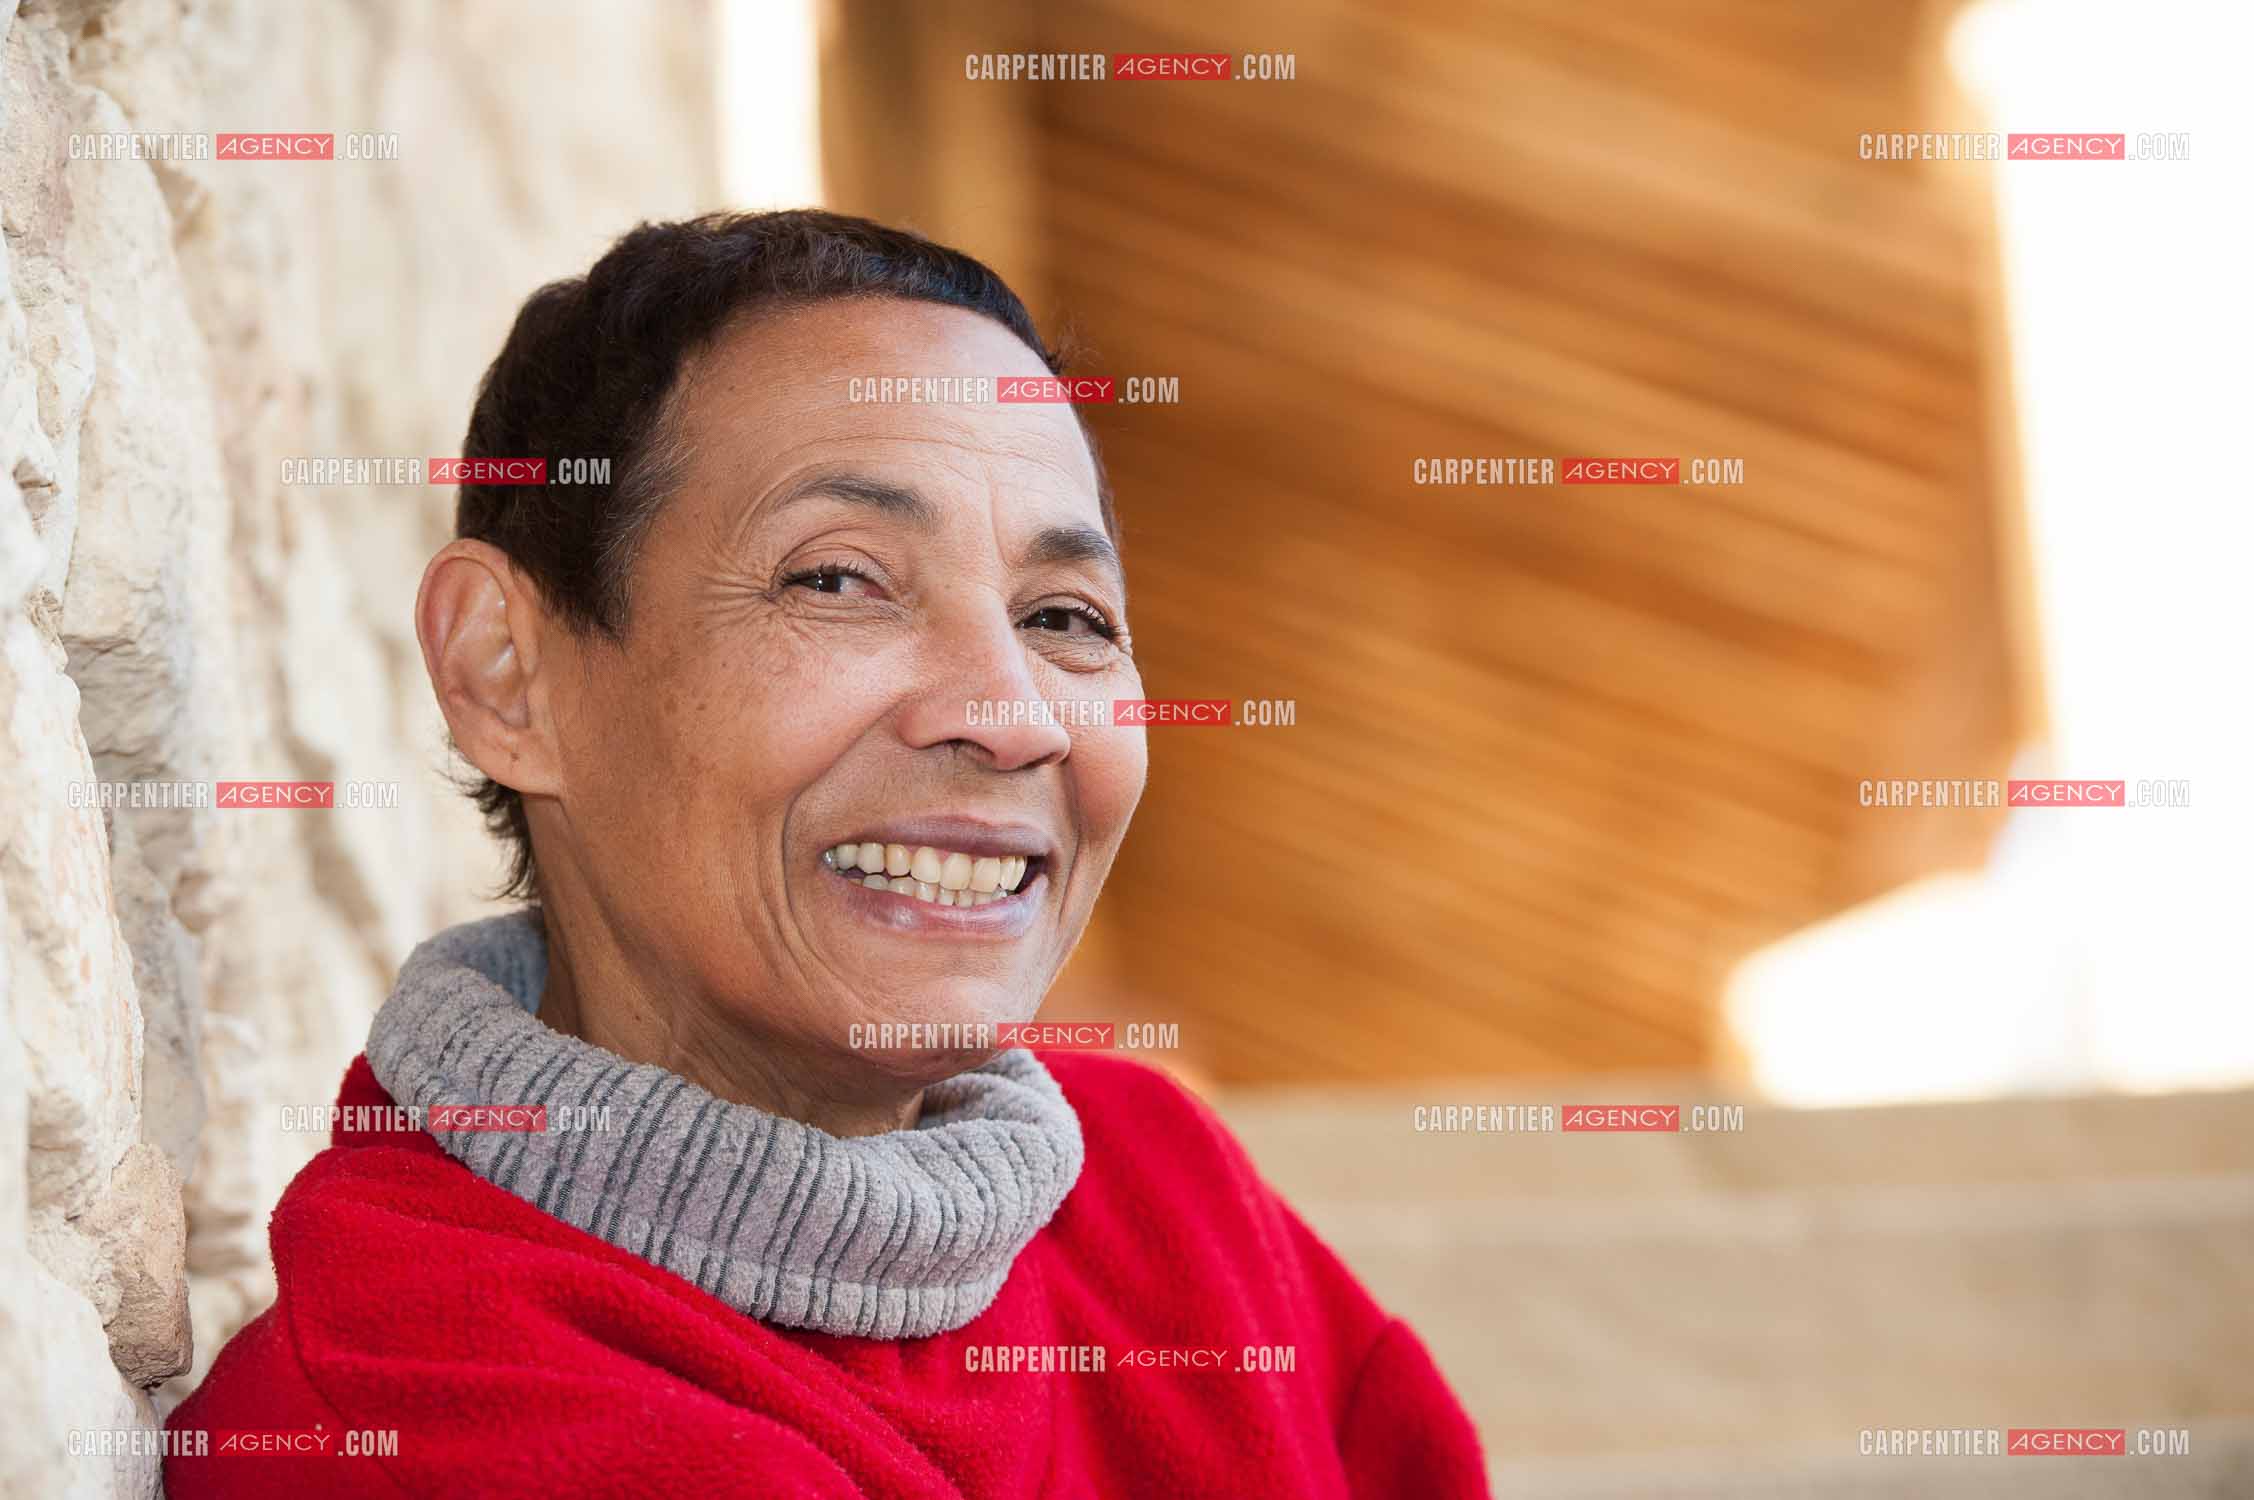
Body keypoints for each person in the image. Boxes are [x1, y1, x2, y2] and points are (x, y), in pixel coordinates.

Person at [164, 209, 1490, 1498]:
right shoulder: (416, 1414)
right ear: (508, 677)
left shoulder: (1159, 1198)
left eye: (1065, 615)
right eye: (838, 579)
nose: (1011, 712)